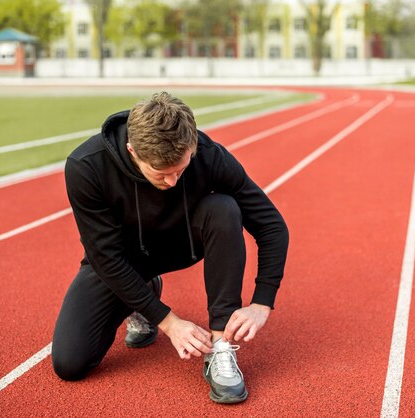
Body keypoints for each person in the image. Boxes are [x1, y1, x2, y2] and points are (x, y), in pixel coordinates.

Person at [52, 92, 289, 404]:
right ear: (132, 151)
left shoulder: (208, 154)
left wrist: (262, 302)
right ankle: (143, 295)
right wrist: (168, 321)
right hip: (122, 259)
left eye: (181, 168)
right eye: (161, 173)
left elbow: (271, 224)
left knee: (224, 208)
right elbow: (105, 257)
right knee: (70, 363)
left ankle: (221, 346)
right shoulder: (87, 167)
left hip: (182, 243)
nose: (174, 181)